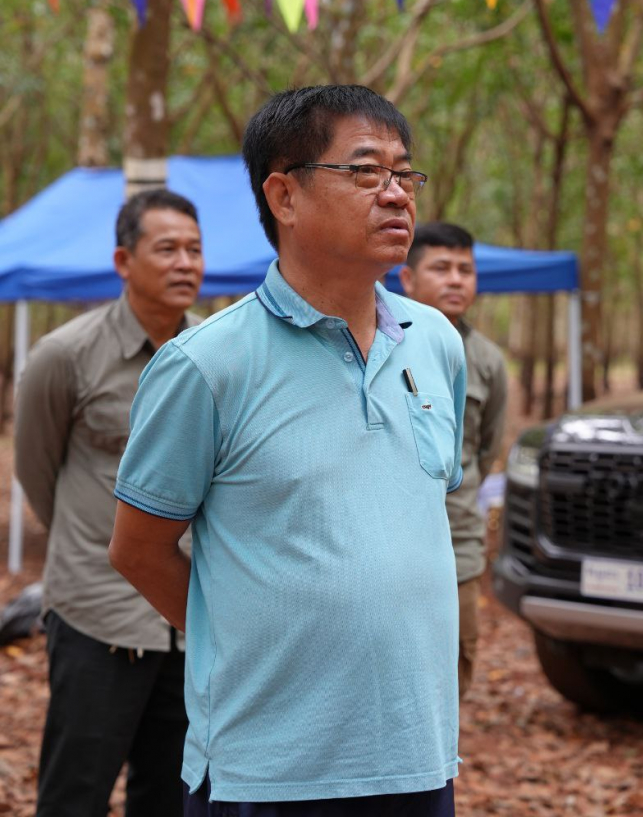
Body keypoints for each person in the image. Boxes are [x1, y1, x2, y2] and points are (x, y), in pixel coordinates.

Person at [109, 85, 467, 816]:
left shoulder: (436, 341)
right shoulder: (206, 365)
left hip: (418, 759)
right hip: (269, 771)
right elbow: (138, 549)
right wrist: (252, 639)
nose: (397, 194)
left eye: (405, 174)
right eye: (364, 172)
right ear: (284, 196)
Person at [15, 188, 204, 817]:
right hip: (97, 615)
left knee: (171, 797)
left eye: (195, 250)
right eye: (167, 249)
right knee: (75, 794)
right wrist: (96, 544)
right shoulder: (65, 355)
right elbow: (37, 473)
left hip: (189, 620)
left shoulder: (214, 354)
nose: (185, 263)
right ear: (124, 261)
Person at [400, 222, 508, 698]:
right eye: (441, 268)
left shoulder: (487, 360)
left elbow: (486, 449)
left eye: (465, 270)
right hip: (389, 545)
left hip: (456, 543)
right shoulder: (379, 341)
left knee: (451, 678)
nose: (456, 280)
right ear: (408, 278)